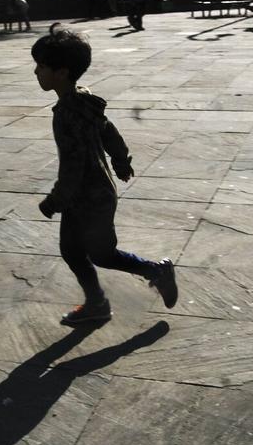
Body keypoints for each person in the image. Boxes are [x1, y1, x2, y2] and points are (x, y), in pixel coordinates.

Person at [30, 24, 177, 325]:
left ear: (62, 72)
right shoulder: (83, 99)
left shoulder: (68, 114)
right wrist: (121, 161)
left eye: (41, 66)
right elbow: (109, 132)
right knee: (71, 251)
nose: (36, 72)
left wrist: (54, 201)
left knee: (102, 254)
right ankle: (96, 303)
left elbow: (72, 167)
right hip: (88, 196)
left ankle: (155, 271)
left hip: (90, 198)